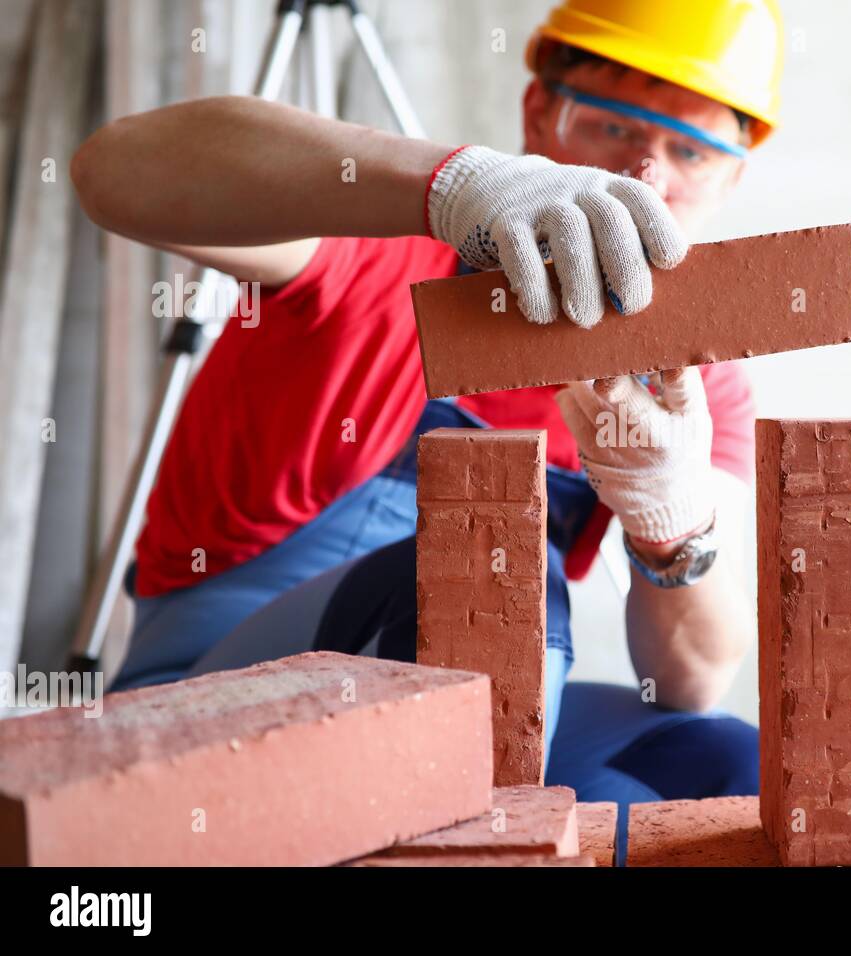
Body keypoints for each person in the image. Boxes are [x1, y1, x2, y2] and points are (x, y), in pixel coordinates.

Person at [71, 0, 785, 832]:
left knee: (716, 773)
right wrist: (456, 184)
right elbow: (112, 171)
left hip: (469, 708)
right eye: (610, 128)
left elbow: (693, 676)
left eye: (691, 151)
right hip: (203, 709)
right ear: (537, 115)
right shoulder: (383, 258)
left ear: (733, 178)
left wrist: (671, 520)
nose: (644, 177)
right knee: (495, 569)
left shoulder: (695, 383)